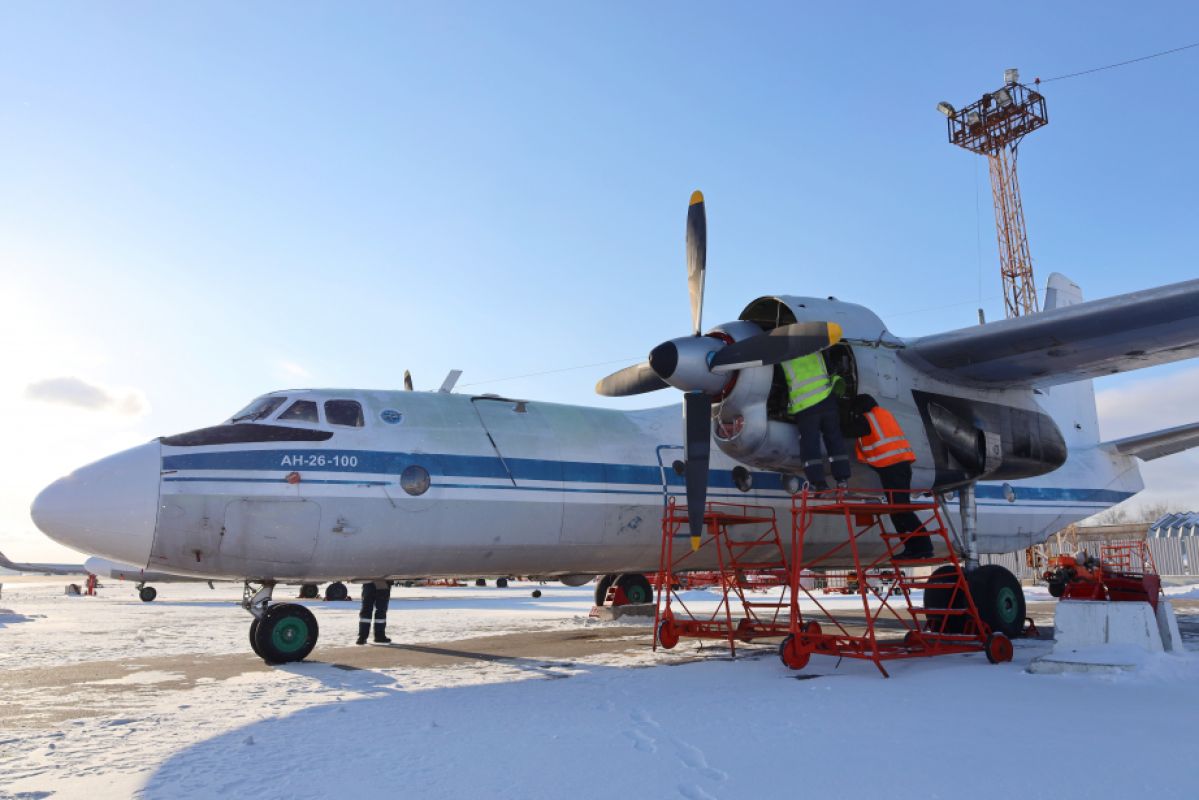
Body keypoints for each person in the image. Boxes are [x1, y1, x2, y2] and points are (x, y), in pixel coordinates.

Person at [851, 394, 933, 559]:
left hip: (892, 467)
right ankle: (912, 548)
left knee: (901, 509)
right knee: (897, 510)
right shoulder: (883, 414)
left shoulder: (867, 419)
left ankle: (923, 547)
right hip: (897, 466)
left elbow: (849, 430)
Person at [782, 351, 851, 491]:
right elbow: (831, 369)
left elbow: (781, 383)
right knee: (834, 439)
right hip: (827, 401)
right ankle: (842, 479)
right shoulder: (816, 349)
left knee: (810, 443)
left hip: (806, 406)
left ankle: (819, 483)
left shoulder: (784, 355)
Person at [357, 580, 392, 645]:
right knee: (380, 611)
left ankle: (362, 637)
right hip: (382, 584)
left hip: (369, 583)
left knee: (367, 610)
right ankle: (379, 636)